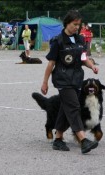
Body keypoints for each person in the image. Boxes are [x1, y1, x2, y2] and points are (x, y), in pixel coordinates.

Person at [41, 10, 99, 154]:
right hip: (63, 80)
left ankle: (58, 139)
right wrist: (45, 82)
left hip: (76, 80)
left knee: (64, 109)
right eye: (74, 24)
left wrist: (92, 66)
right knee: (73, 107)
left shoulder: (80, 39)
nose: (77, 27)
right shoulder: (58, 41)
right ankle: (83, 140)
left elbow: (84, 58)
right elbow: (51, 63)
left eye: (79, 25)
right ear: (67, 23)